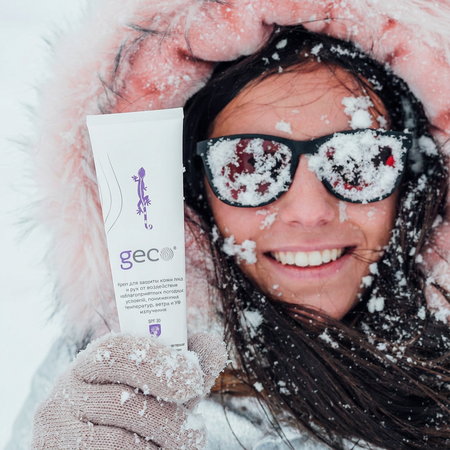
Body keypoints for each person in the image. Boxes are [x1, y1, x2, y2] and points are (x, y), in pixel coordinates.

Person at [6, 1, 450, 449]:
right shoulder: (99, 381)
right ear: (193, 190)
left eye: (360, 160)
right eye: (249, 164)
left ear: (415, 171)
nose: (309, 211)